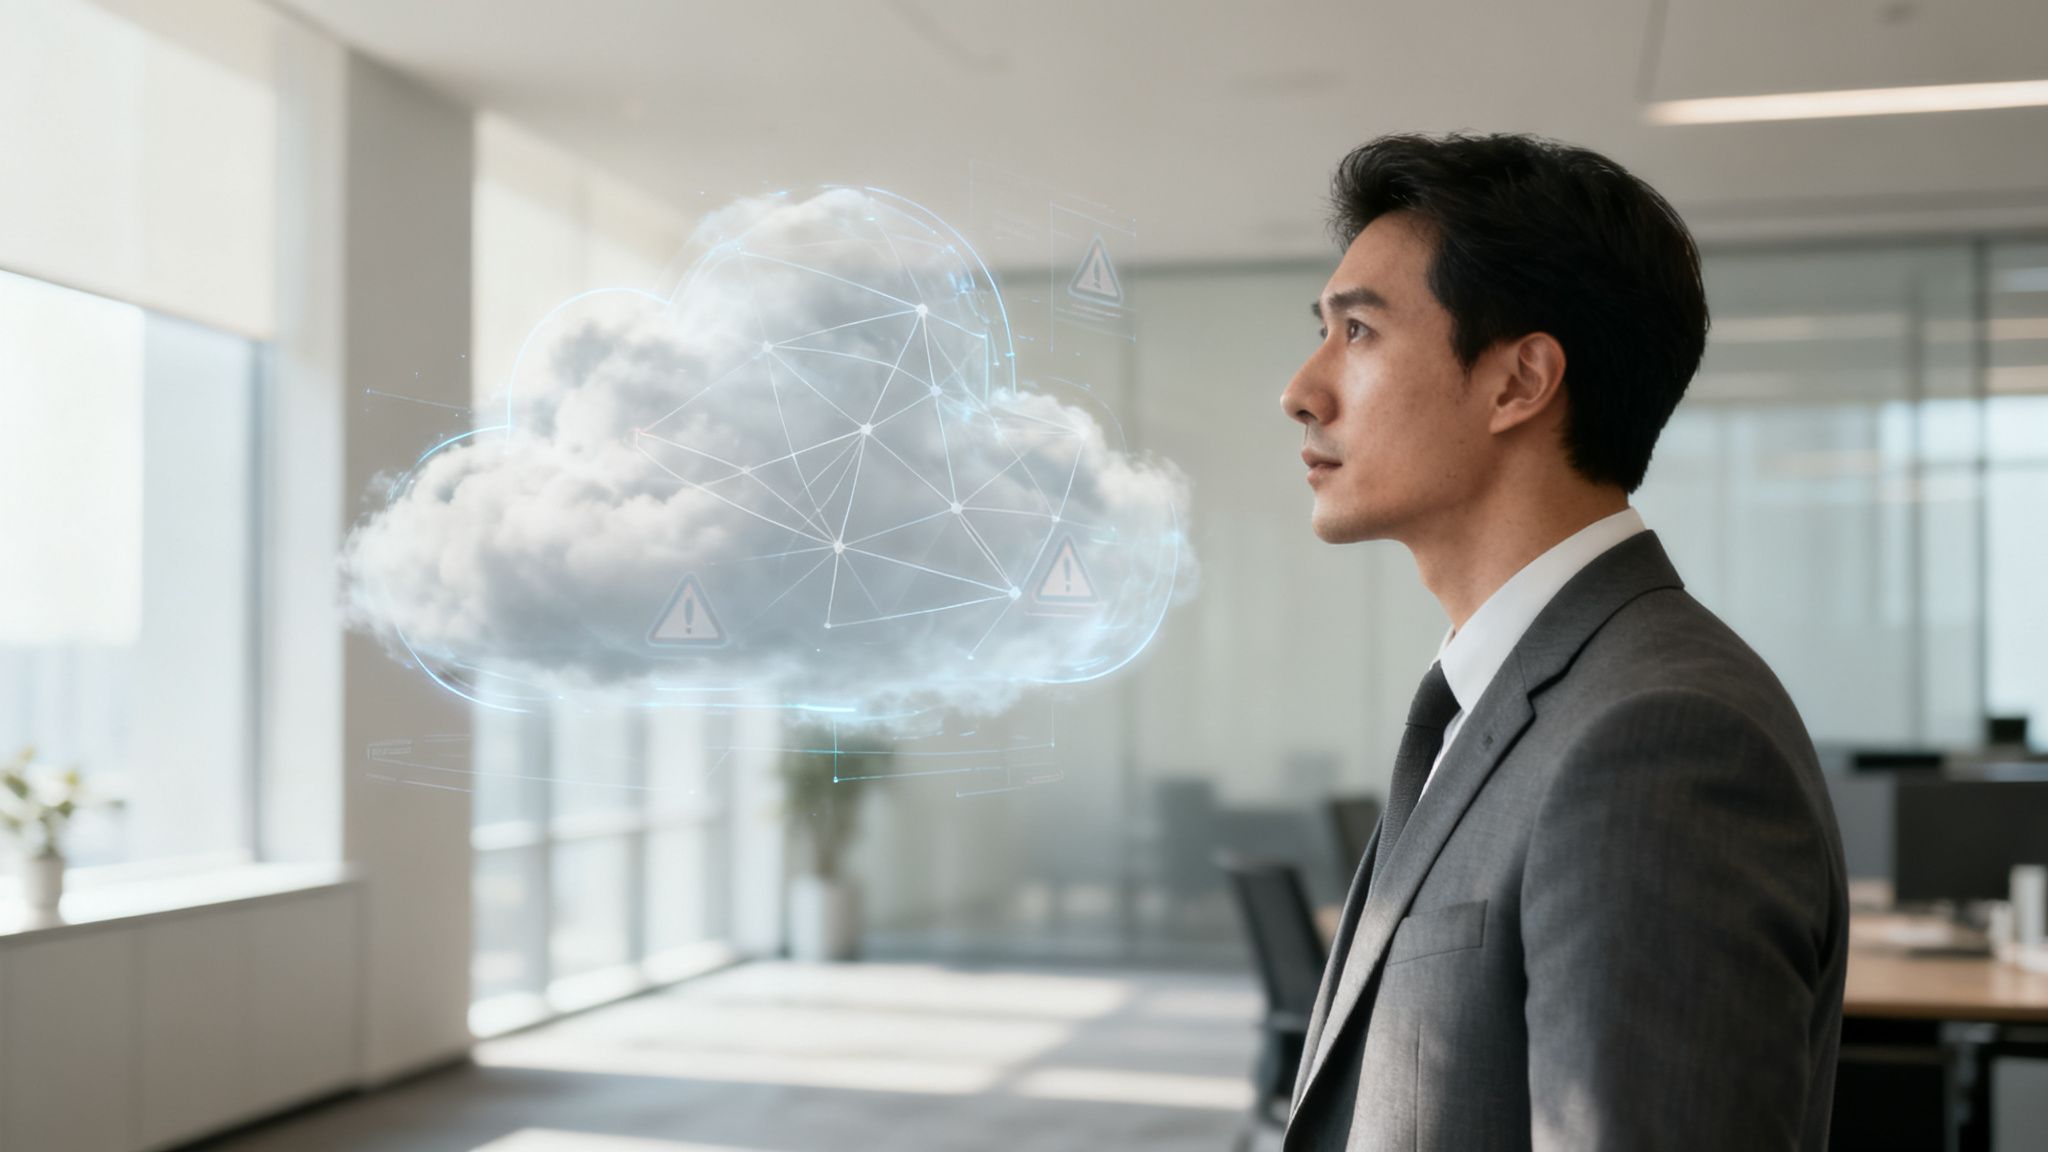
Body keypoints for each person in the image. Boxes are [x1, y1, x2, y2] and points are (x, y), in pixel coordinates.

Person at [1277, 133, 1848, 1150]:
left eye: (1356, 333)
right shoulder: (1511, 697)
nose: (1302, 391)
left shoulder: (1659, 740)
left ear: (1518, 382)